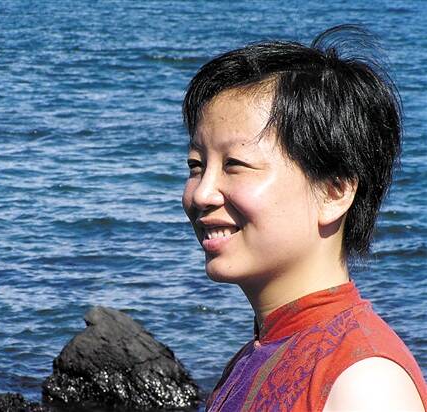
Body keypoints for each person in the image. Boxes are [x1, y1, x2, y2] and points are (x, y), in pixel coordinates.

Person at [181, 25, 426, 411]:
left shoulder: (364, 383)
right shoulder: (258, 351)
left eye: (235, 165)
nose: (201, 194)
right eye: (196, 166)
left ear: (334, 192)